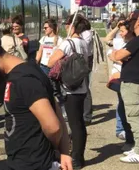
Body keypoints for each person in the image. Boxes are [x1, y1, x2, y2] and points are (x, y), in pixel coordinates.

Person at [0, 34, 73, 170]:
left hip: (34, 164)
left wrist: (57, 149)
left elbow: (53, 126)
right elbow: (55, 109)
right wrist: (64, 152)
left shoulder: (23, 80)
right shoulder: (26, 71)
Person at [48, 14, 89, 169]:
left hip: (70, 89)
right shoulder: (84, 43)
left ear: (70, 26)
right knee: (79, 123)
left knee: (74, 124)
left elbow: (51, 61)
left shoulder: (68, 43)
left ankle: (77, 159)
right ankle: (79, 156)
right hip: (82, 86)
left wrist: (57, 53)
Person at [109, 10, 139, 163]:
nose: (128, 23)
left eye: (131, 20)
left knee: (134, 117)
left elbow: (117, 56)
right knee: (137, 116)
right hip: (138, 81)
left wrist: (114, 54)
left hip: (133, 83)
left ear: (138, 22)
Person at [106, 18, 135, 151]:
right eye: (120, 31)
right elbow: (107, 40)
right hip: (119, 79)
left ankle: (130, 138)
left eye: (123, 31)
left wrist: (117, 57)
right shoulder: (118, 41)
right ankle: (125, 133)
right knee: (122, 106)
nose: (121, 34)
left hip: (128, 78)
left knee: (128, 109)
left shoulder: (134, 43)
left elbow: (116, 57)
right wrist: (117, 27)